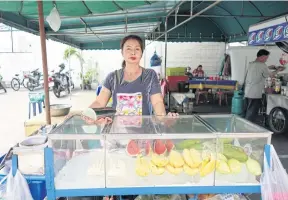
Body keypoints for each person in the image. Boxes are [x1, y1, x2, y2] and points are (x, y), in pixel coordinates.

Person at [88, 35, 177, 125]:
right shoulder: (112, 77)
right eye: (128, 49)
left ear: (142, 53)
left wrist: (163, 118)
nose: (133, 52)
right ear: (122, 52)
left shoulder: (150, 75)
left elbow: (157, 102)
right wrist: (89, 113)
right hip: (118, 133)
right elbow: (99, 102)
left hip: (142, 133)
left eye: (137, 49)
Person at [243, 49, 281, 122]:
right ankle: (247, 130)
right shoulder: (262, 65)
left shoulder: (251, 64)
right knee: (251, 114)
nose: (266, 60)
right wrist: (278, 70)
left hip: (247, 92)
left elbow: (259, 71)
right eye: (266, 58)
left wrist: (269, 67)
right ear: (262, 56)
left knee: (247, 111)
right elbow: (270, 75)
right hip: (255, 93)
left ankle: (244, 127)